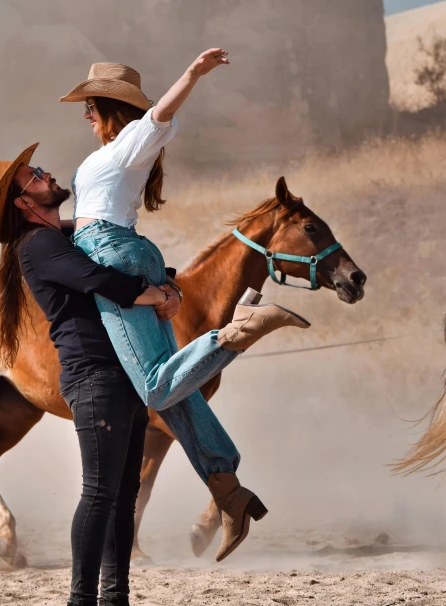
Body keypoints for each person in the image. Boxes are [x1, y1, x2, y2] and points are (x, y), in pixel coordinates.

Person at [60, 50, 310, 561]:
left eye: (90, 105)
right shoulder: (115, 151)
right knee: (171, 387)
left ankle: (236, 330)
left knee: (154, 386)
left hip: (114, 252)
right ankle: (228, 491)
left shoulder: (133, 139)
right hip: (121, 247)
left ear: (111, 107)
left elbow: (160, 115)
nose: (84, 114)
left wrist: (192, 74)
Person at [0, 145, 177, 606]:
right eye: (34, 176)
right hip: (93, 376)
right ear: (24, 203)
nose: (47, 173)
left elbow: (114, 254)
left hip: (121, 373)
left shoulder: (64, 236)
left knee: (122, 493)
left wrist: (165, 281)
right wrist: (152, 294)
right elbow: (95, 278)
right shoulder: (38, 247)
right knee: (100, 492)